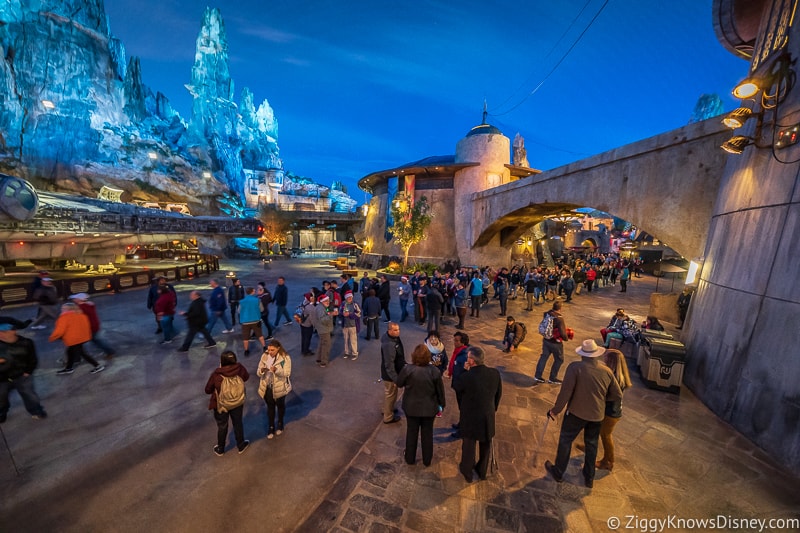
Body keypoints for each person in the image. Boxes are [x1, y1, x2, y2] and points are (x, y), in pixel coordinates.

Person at [545, 339, 622, 488]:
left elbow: (565, 393)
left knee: (566, 441)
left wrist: (555, 410)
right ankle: (589, 477)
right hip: (597, 415)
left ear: (582, 354)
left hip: (576, 413)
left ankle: (558, 472)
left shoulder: (575, 368)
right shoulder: (606, 371)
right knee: (592, 445)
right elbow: (617, 394)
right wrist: (602, 400)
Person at [453, 346, 502, 482]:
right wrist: (492, 410)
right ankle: (482, 471)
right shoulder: (495, 373)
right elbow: (498, 395)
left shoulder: (467, 376)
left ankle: (467, 470)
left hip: (470, 416)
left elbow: (457, 386)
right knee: (485, 445)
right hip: (487, 416)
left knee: (469, 445)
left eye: (468, 357)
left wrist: (463, 370)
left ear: (472, 361)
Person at [396, 344, 446, 466]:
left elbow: (399, 383)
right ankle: (427, 460)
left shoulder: (408, 369)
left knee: (411, 432)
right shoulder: (434, 371)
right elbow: (440, 391)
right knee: (427, 434)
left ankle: (409, 458)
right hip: (429, 408)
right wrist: (442, 405)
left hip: (411, 407)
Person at [0, 321, 47, 422]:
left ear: (13, 331)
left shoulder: (26, 343)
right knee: (1, 397)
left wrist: (28, 372)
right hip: (2, 378)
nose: (1, 334)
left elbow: (33, 359)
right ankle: (1, 413)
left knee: (29, 394)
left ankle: (36, 411)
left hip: (21, 375)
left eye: (4, 332)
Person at [205, 351, 250, 455]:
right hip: (237, 402)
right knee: (238, 423)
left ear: (222, 361)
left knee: (222, 426)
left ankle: (221, 448)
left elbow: (207, 390)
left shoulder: (217, 374)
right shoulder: (240, 368)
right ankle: (241, 445)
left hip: (221, 405)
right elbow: (246, 377)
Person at [597, 348, 632, 472]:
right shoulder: (619, 376)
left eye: (606, 357)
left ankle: (608, 461)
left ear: (611, 360)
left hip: (611, 413)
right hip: (613, 411)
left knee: (606, 435)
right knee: (598, 429)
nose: (603, 359)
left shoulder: (614, 378)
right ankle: (589, 447)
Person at [50, 302, 104, 375]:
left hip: (73, 339)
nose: (61, 309)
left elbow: (60, 331)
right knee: (70, 352)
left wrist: (52, 337)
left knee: (82, 353)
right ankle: (68, 368)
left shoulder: (64, 318)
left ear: (68, 309)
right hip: (81, 338)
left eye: (63, 308)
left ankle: (97, 366)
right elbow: (86, 327)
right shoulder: (82, 315)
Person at [257, 339, 292, 439]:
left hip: (280, 386)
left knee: (280, 406)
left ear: (278, 349)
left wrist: (277, 370)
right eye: (269, 350)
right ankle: (271, 426)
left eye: (272, 350)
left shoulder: (285, 357)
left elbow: (287, 373)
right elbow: (258, 371)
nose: (270, 352)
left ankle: (280, 423)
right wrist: (262, 371)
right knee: (270, 407)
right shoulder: (264, 356)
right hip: (267, 386)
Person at [69, 293, 115, 359]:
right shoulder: (89, 305)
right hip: (95, 325)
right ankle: (109, 351)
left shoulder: (81, 308)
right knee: (97, 340)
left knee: (81, 342)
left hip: (89, 327)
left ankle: (77, 357)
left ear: (79, 299)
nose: (73, 300)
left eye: (75, 299)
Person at [534, 301, 569, 384]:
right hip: (555, 342)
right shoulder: (559, 318)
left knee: (544, 357)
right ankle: (553, 378)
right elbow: (562, 333)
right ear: (560, 308)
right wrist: (566, 338)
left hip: (546, 339)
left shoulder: (547, 314)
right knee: (559, 359)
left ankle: (538, 376)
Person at [380, 322, 405, 424]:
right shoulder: (389, 345)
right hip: (390, 376)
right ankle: (388, 417)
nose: (398, 332)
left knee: (389, 395)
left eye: (398, 329)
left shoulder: (393, 339)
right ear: (389, 330)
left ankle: (387, 409)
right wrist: (396, 379)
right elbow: (389, 365)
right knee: (391, 395)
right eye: (395, 330)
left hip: (392, 373)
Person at [447, 331, 470, 438]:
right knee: (462, 408)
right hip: (458, 384)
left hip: (462, 387)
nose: (454, 342)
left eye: (456, 341)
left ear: (463, 342)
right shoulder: (459, 352)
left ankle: (463, 429)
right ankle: (461, 424)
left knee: (464, 408)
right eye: (454, 340)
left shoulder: (464, 355)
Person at [239, 287, 266, 357]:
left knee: (245, 337)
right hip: (256, 320)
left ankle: (246, 350)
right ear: (252, 292)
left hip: (245, 322)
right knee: (260, 335)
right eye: (254, 291)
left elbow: (238, 311)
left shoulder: (242, 301)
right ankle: (264, 347)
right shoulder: (257, 300)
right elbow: (262, 309)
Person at [314, 294, 335, 367]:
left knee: (321, 344)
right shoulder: (321, 309)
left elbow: (325, 315)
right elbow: (323, 320)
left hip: (322, 329)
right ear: (322, 301)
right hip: (324, 329)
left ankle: (319, 359)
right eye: (326, 301)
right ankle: (324, 362)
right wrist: (331, 315)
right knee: (326, 345)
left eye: (328, 300)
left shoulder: (322, 307)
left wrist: (329, 313)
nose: (328, 302)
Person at [339, 291, 361, 360]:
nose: (349, 298)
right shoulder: (343, 304)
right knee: (346, 340)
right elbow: (340, 312)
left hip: (353, 325)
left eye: (350, 297)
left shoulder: (355, 304)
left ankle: (354, 353)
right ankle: (346, 352)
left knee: (353, 340)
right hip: (345, 325)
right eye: (348, 297)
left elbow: (359, 313)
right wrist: (343, 314)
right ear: (346, 298)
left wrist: (350, 314)